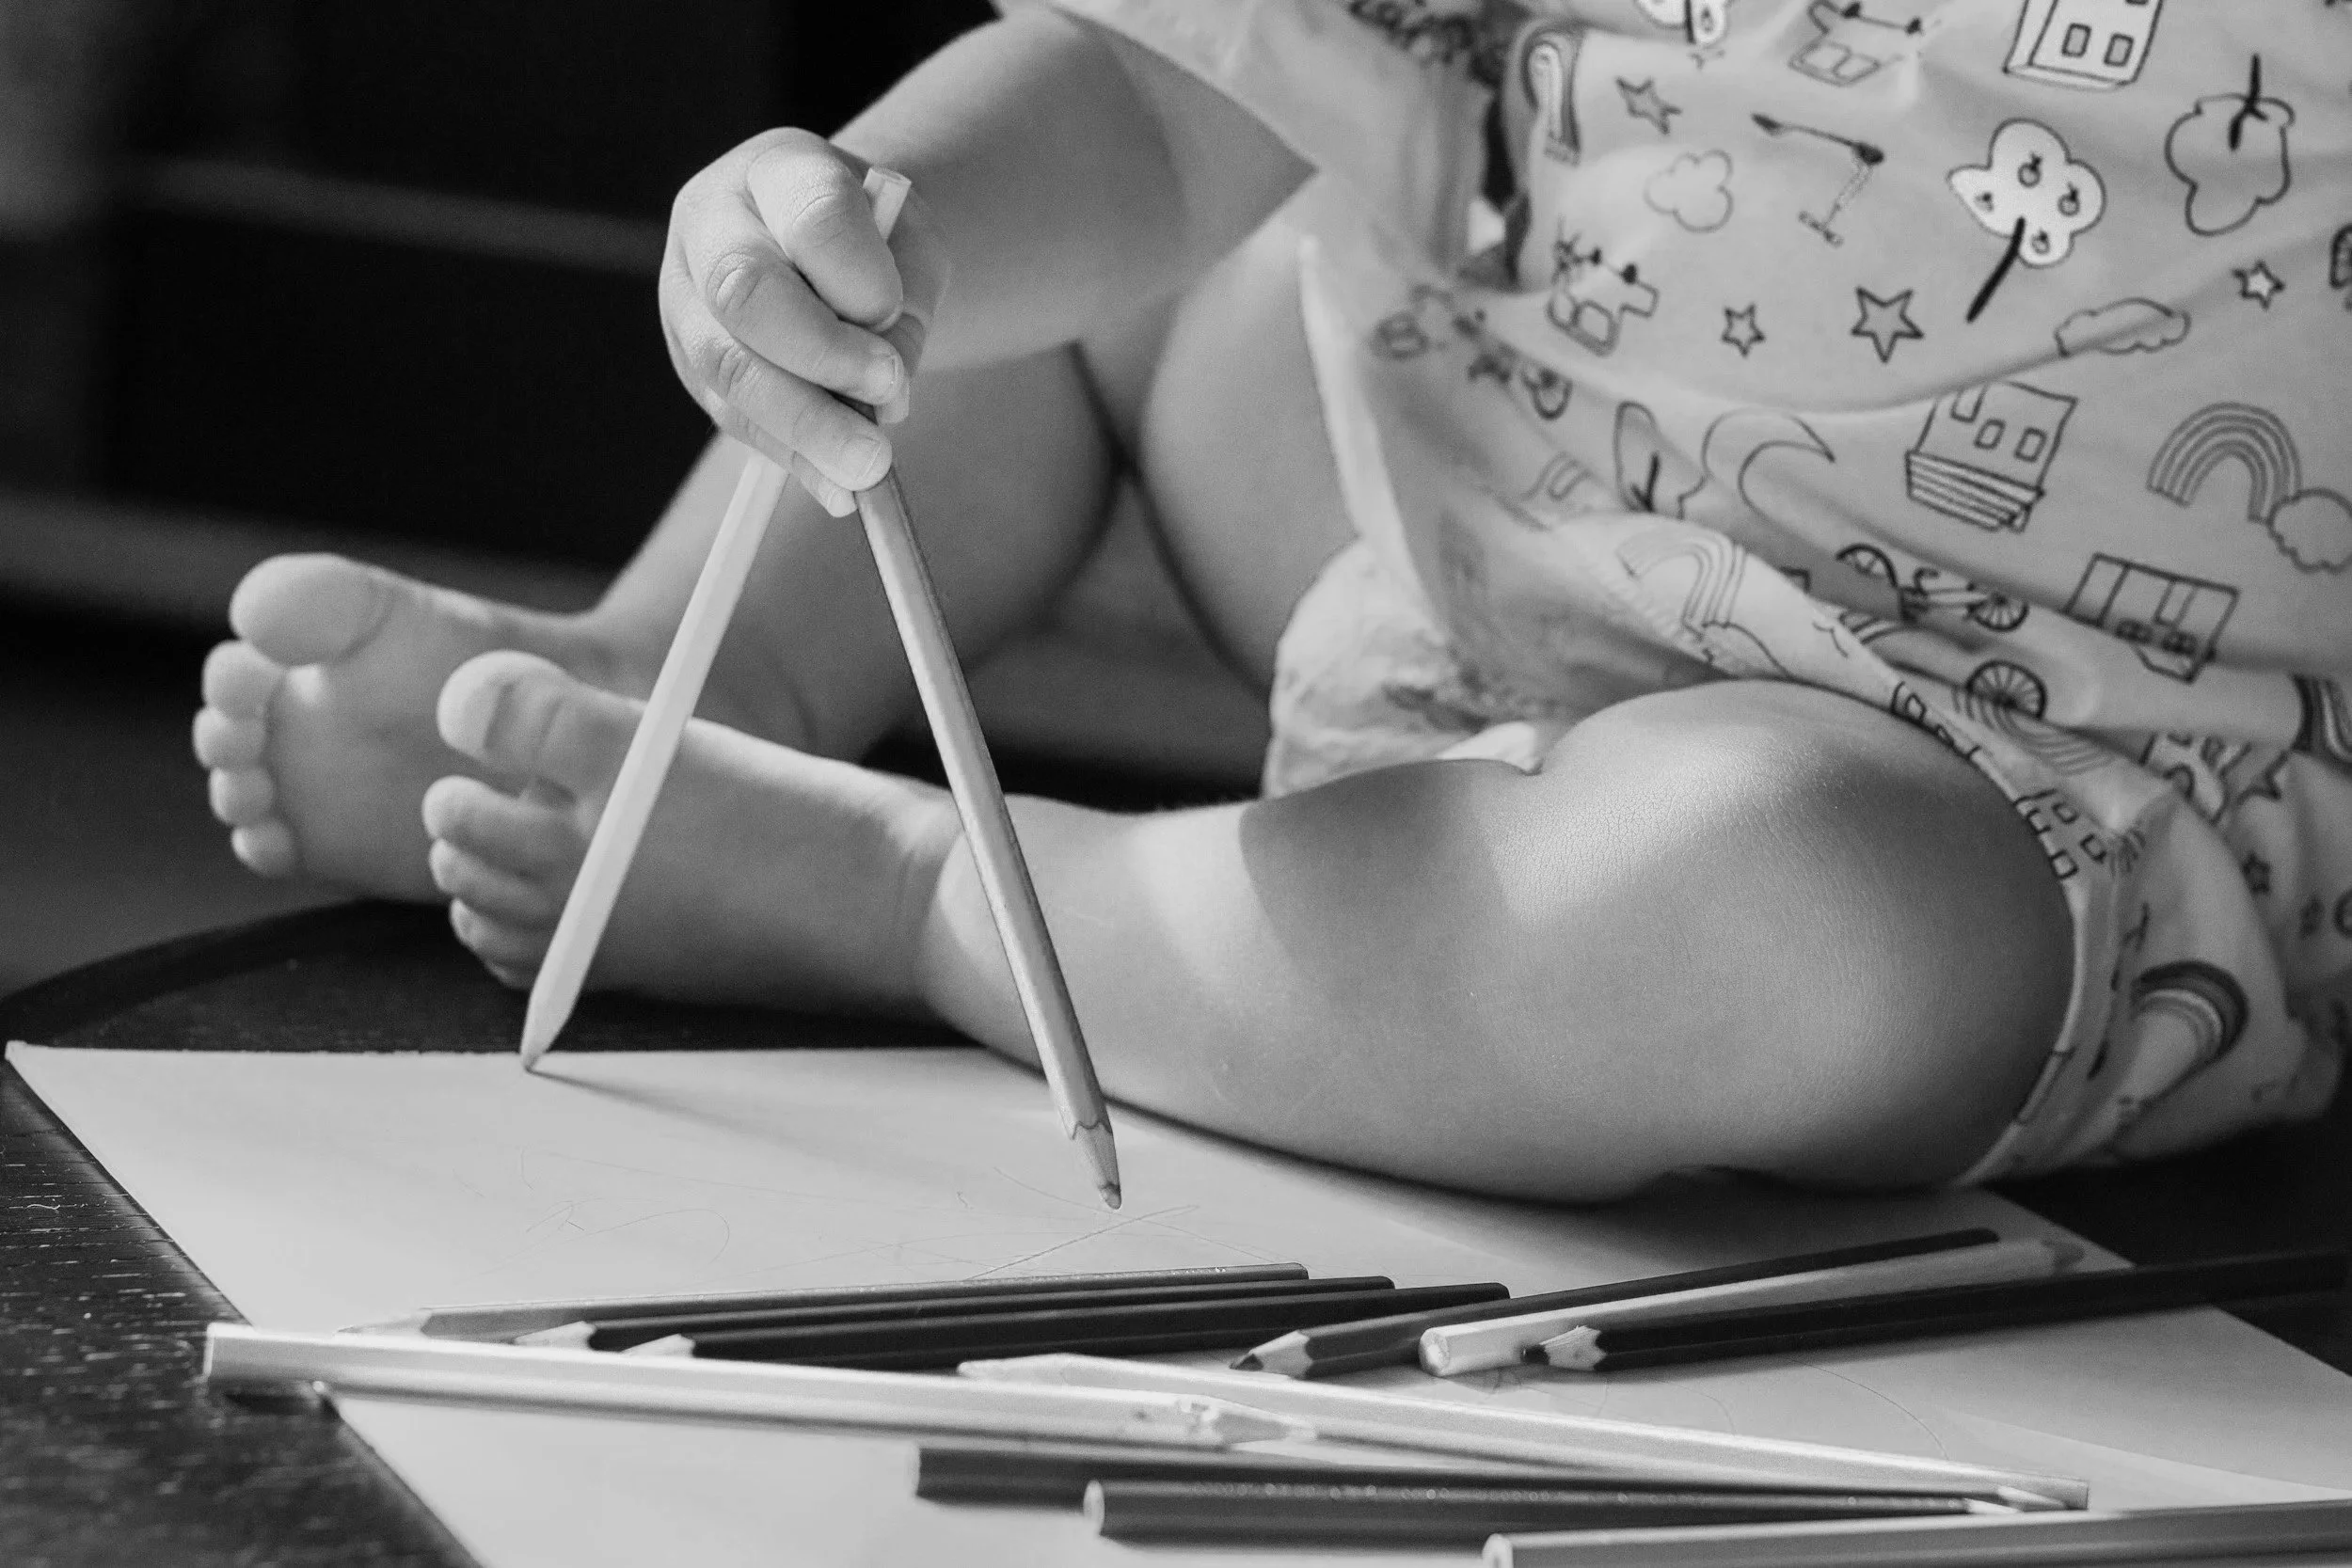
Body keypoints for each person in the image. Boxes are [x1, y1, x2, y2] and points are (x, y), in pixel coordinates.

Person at [190, 2, 2349, 1200]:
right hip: (1450, 538)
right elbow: (1155, 95)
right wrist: (851, 235)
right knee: (1041, 283)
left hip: (2021, 787)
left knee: (1765, 906)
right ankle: (679, 680)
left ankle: (923, 893)